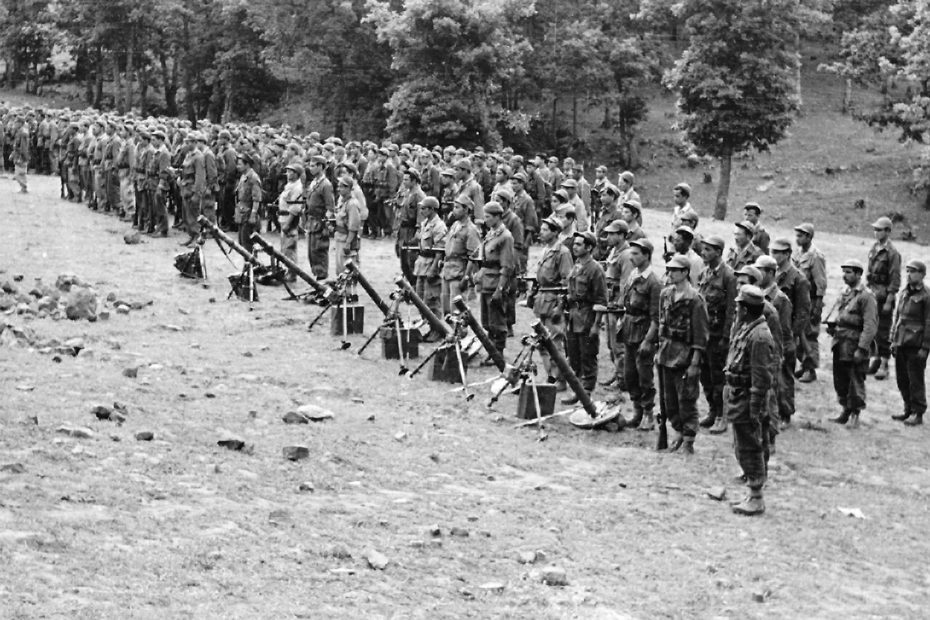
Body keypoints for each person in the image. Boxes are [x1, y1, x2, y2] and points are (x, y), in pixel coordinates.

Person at [723, 285, 776, 516]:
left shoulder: (759, 336)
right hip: (739, 395)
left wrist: (755, 407)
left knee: (751, 446)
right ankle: (752, 491)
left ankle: (756, 496)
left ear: (745, 309)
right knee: (743, 444)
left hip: (747, 398)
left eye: (738, 306)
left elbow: (761, 376)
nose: (736, 309)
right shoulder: (749, 328)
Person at [657, 255, 709, 454]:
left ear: (685, 272)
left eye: (674, 270)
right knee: (669, 399)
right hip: (667, 352)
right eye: (669, 269)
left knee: (686, 398)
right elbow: (662, 322)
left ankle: (689, 438)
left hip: (685, 354)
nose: (670, 273)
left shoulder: (695, 299)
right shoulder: (666, 294)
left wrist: (695, 362)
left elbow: (700, 333)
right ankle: (677, 431)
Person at [824, 259, 878, 428]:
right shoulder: (845, 292)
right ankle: (845, 410)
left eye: (848, 272)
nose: (844, 276)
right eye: (844, 272)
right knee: (840, 379)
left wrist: (862, 349)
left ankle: (855, 414)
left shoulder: (866, 296)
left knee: (855, 379)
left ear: (858, 274)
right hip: (840, 342)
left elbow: (870, 325)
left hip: (854, 343)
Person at [697, 235, 737, 434]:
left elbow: (731, 310)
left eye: (708, 250)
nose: (703, 253)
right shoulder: (704, 273)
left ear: (719, 252)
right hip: (704, 333)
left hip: (718, 335)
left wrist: (726, 337)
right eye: (703, 249)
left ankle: (722, 415)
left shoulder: (728, 276)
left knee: (718, 376)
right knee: (705, 374)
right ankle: (712, 410)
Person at [464, 202, 514, 361]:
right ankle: (492, 351)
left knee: (497, 322)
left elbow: (507, 265)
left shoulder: (505, 237)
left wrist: (500, 289)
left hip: (496, 283)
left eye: (488, 216)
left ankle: (497, 352)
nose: (485, 219)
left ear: (497, 217)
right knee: (487, 322)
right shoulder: (491, 234)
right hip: (486, 281)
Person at [562, 231, 608, 405]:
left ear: (589, 247)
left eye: (579, 244)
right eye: (574, 244)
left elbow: (601, 300)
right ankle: (578, 390)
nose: (575, 247)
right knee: (574, 355)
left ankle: (586, 392)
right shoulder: (577, 266)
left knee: (588, 356)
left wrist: (597, 325)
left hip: (587, 318)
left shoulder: (595, 269)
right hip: (574, 316)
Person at [528, 215, 574, 390]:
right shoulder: (546, 250)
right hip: (542, 300)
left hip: (554, 302)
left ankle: (560, 379)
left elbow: (566, 283)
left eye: (546, 230)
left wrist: (560, 306)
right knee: (541, 343)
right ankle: (551, 377)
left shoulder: (562, 253)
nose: (541, 232)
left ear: (555, 233)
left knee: (555, 343)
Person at [621, 238, 662, 430]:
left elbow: (657, 317)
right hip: (630, 329)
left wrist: (648, 340)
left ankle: (648, 414)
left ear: (647, 255)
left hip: (644, 331)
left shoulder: (653, 281)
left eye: (636, 253)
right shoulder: (633, 275)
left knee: (644, 374)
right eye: (631, 253)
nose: (632, 257)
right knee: (629, 373)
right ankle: (636, 410)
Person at [771, 238, 810, 425]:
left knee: (785, 375)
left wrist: (794, 334)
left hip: (787, 333)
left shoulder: (798, 279)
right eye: (773, 252)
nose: (774, 255)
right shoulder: (772, 274)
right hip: (772, 330)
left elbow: (803, 311)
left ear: (787, 254)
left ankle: (785, 413)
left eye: (778, 252)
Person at [890, 260, 930, 426]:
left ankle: (917, 412)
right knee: (902, 378)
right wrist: (893, 339)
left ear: (922, 274)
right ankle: (908, 408)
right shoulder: (904, 292)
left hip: (916, 344)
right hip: (901, 341)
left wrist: (926, 347)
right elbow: (898, 317)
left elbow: (929, 322)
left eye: (913, 271)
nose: (909, 274)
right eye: (907, 271)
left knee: (915, 379)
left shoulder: (926, 296)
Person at [865, 216, 902, 380]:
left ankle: (885, 365)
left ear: (888, 231)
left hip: (884, 295)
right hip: (872, 293)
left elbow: (895, 279)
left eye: (879, 230)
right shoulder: (874, 248)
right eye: (875, 229)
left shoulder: (892, 253)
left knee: (883, 330)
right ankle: (876, 360)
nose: (876, 232)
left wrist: (889, 299)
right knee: (871, 328)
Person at [793, 223, 827, 383]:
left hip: (811, 300)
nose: (797, 239)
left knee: (809, 334)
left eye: (800, 235)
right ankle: (804, 363)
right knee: (798, 332)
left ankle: (810, 368)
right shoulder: (798, 254)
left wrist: (818, 305)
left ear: (808, 237)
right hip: (799, 299)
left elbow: (820, 282)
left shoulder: (816, 256)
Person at [601, 218, 632, 393]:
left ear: (621, 235)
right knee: (610, 343)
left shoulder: (626, 255)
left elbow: (626, 283)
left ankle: (622, 380)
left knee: (619, 345)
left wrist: (621, 307)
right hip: (609, 302)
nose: (609, 237)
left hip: (617, 306)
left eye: (613, 234)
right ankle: (617, 373)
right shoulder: (614, 251)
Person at [440, 195, 481, 315]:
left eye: (457, 207)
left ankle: (459, 332)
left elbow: (473, 257)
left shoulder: (471, 230)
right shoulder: (455, 225)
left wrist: (466, 278)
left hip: (459, 272)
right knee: (446, 309)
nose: (454, 210)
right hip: (447, 270)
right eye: (454, 207)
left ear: (466, 210)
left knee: (457, 310)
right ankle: (452, 332)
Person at [413, 196, 447, 339]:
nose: (421, 211)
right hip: (422, 263)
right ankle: (429, 326)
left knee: (432, 300)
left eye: (424, 208)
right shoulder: (425, 223)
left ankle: (438, 330)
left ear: (432, 209)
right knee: (420, 298)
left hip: (431, 263)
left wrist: (434, 269)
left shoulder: (439, 226)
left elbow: (440, 250)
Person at [305, 155, 335, 280]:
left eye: (313, 166)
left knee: (319, 251)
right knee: (311, 252)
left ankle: (322, 276)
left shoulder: (326, 185)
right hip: (312, 221)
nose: (310, 168)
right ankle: (317, 274)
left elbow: (330, 207)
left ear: (321, 167)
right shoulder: (314, 182)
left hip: (320, 222)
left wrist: (326, 225)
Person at [333, 176, 362, 299]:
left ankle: (350, 294)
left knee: (349, 268)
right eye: (339, 186)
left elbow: (354, 226)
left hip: (347, 239)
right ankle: (343, 292)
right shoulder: (342, 201)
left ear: (350, 188)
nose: (339, 189)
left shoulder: (352, 204)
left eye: (343, 186)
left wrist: (348, 243)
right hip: (340, 237)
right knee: (340, 268)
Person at [277, 163, 305, 279]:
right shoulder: (290, 185)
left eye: (291, 172)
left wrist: (288, 223)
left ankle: (292, 273)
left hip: (290, 219)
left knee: (290, 247)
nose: (288, 174)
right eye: (287, 171)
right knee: (285, 248)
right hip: (283, 217)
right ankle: (288, 270)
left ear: (296, 174)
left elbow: (295, 208)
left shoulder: (297, 188)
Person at [235, 152, 263, 253]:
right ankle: (247, 265)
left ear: (247, 164)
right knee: (242, 242)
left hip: (248, 212)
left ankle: (251, 265)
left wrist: (253, 215)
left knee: (248, 242)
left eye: (240, 164)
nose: (237, 166)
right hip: (242, 212)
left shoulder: (253, 178)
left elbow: (256, 199)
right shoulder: (244, 176)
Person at [12, 116, 29, 193]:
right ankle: (23, 187)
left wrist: (22, 157)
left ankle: (24, 187)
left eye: (16, 122)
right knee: (20, 172)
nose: (15, 124)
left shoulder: (23, 133)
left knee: (19, 173)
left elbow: (23, 146)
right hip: (18, 154)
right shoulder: (20, 131)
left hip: (20, 155)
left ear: (20, 123)